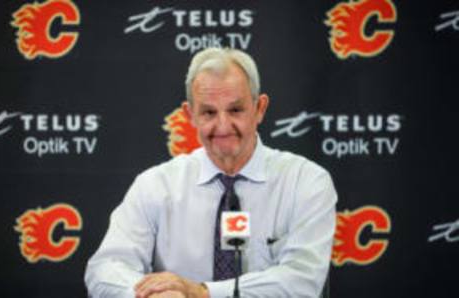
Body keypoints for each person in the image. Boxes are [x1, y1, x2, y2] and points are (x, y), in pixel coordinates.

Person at [85, 47, 337, 298]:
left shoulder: (306, 182)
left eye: (235, 110)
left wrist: (202, 293)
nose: (223, 126)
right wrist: (151, 294)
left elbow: (302, 281)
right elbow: (104, 269)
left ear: (259, 108)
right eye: (209, 112)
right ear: (189, 115)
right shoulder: (155, 185)